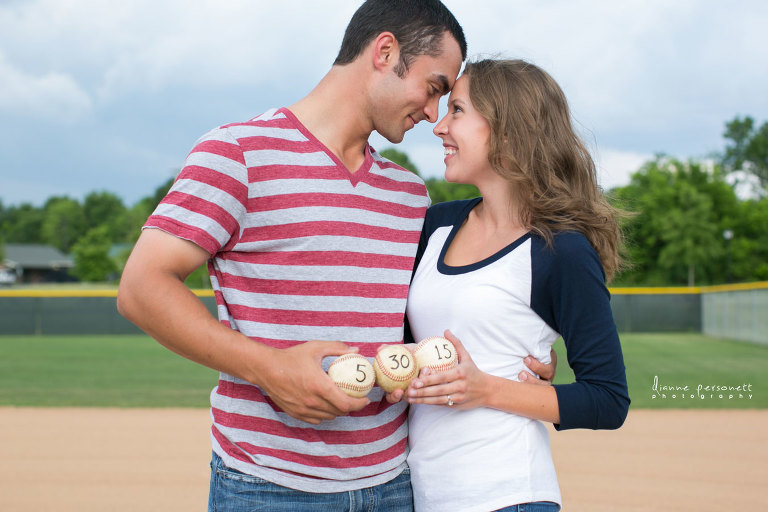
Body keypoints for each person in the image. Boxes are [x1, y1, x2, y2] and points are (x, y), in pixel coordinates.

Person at [117, 1, 468, 510]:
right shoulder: (238, 153)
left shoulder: (409, 193)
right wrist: (269, 369)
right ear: (385, 51)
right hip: (266, 486)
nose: (433, 113)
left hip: (395, 483)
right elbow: (140, 289)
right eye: (433, 87)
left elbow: (405, 324)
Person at [401, 59, 631, 512]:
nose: (440, 126)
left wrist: (487, 389)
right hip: (423, 495)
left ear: (508, 133)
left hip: (510, 496)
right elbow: (413, 346)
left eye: (459, 111)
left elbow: (608, 399)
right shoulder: (436, 225)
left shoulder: (560, 249)